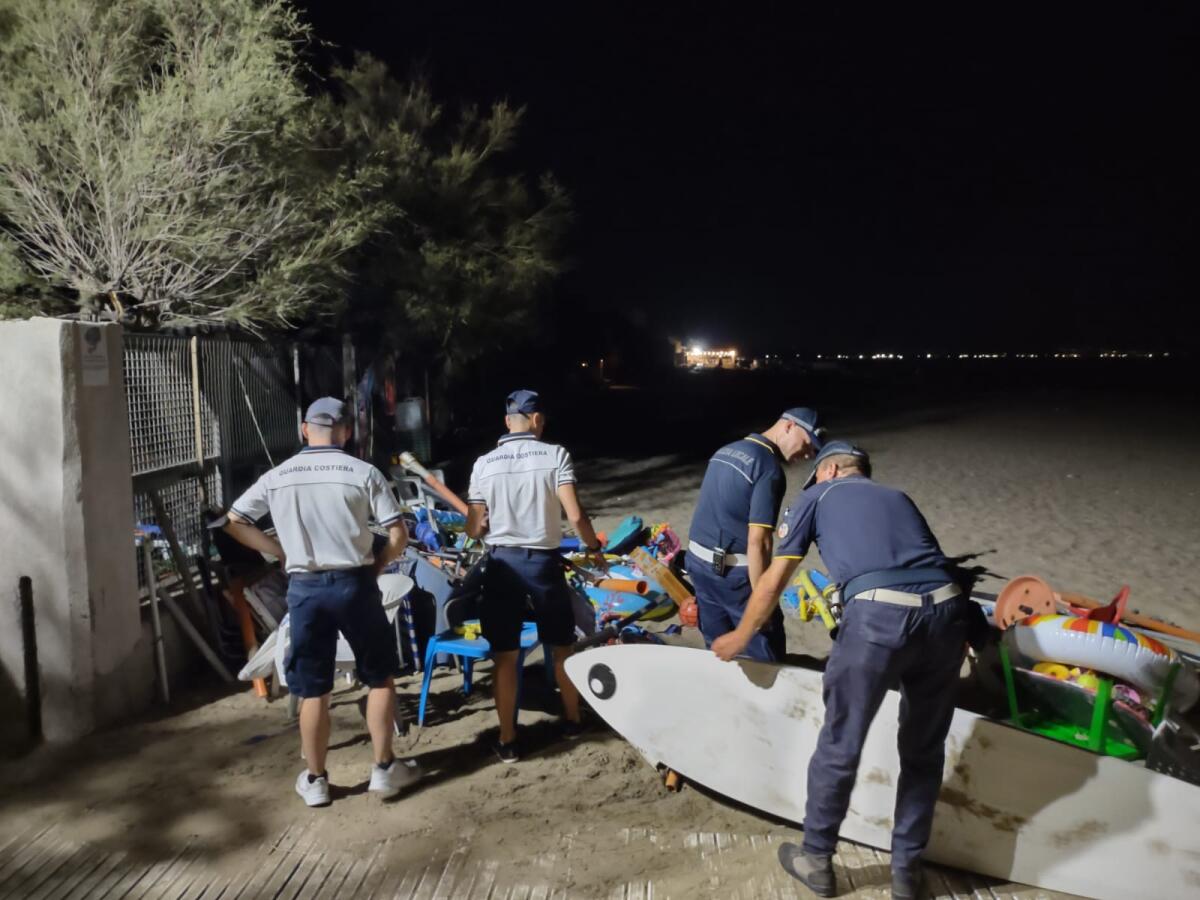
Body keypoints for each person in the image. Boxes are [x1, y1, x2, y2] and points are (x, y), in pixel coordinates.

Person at [712, 440, 971, 900]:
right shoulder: (897, 496)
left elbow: (775, 577)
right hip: (949, 614)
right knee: (923, 752)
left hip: (879, 618)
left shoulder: (818, 495)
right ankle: (907, 874)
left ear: (829, 470)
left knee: (840, 741)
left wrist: (740, 637)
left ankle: (816, 859)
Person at [224, 397, 418, 807]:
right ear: (346, 431)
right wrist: (377, 567)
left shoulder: (278, 476)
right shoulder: (363, 472)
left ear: (304, 429)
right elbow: (398, 535)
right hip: (355, 583)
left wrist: (277, 550)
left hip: (305, 589)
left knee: (313, 689)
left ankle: (315, 780)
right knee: (379, 676)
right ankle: (383, 769)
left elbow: (234, 520)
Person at [465, 389, 605, 762]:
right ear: (537, 419)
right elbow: (575, 516)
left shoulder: (484, 463)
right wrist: (593, 549)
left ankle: (509, 740)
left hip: (500, 565)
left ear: (506, 421)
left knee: (505, 656)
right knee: (562, 646)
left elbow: (474, 528)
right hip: (542, 565)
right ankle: (573, 721)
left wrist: (483, 521)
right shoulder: (554, 454)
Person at [684, 407, 822, 661]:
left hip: (698, 563)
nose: (807, 454)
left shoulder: (726, 450)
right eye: (807, 443)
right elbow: (759, 542)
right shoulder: (769, 469)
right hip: (734, 576)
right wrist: (763, 603)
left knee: (718, 650)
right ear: (788, 426)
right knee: (765, 656)